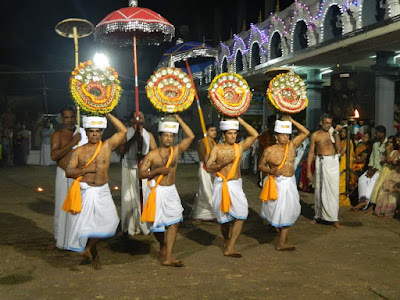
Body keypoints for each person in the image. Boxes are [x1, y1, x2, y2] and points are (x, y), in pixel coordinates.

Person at [65, 114, 127, 269]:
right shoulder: (78, 151)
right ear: (86, 133)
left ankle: (88, 249)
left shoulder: (106, 147)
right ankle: (93, 254)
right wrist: (85, 169)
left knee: (112, 222)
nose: (94, 134)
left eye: (97, 131)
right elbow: (69, 171)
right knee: (86, 226)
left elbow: (123, 131)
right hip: (86, 191)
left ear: (101, 133)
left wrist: (108, 113)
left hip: (103, 191)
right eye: (91, 131)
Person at [138, 115, 194, 267]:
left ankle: (168, 256)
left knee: (174, 222)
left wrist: (178, 118)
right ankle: (163, 246)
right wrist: (156, 172)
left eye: (171, 136)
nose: (169, 139)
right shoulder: (152, 155)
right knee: (156, 226)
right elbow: (141, 173)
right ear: (160, 136)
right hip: (156, 191)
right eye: (166, 135)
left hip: (171, 191)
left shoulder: (175, 152)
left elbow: (191, 136)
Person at [206, 117, 258, 258]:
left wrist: (240, 120)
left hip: (235, 184)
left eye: (235, 133)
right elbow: (208, 167)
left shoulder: (239, 147)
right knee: (224, 220)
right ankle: (226, 239)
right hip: (220, 185)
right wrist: (221, 165)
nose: (233, 136)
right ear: (223, 135)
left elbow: (254, 135)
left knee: (241, 213)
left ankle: (230, 246)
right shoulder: (217, 149)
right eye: (230, 133)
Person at [258, 117, 309, 251]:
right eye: (283, 135)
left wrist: (292, 120)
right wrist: (271, 170)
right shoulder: (269, 150)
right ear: (276, 136)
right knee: (277, 211)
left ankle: (281, 241)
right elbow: (261, 166)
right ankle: (281, 239)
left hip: (290, 182)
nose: (286, 138)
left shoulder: (292, 146)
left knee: (289, 210)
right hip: (276, 183)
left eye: (287, 135)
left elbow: (305, 133)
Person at [50, 107, 87, 250]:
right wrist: (72, 143)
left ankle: (78, 239)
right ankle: (59, 238)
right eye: (66, 117)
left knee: (79, 208)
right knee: (61, 206)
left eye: (72, 117)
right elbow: (54, 156)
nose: (70, 120)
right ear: (61, 119)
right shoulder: (57, 135)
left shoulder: (82, 133)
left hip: (79, 176)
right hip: (63, 175)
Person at [118, 111, 157, 236]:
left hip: (143, 167)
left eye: (142, 116)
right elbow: (120, 151)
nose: (139, 118)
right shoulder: (125, 133)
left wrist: (146, 157)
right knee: (129, 196)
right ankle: (130, 224)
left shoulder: (148, 135)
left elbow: (155, 152)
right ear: (131, 120)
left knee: (145, 194)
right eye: (137, 116)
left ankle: (145, 223)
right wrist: (134, 138)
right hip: (129, 167)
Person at [307, 113, 343, 229]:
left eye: (330, 123)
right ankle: (318, 216)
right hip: (321, 161)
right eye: (326, 123)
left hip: (332, 162)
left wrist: (336, 133)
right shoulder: (315, 135)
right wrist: (308, 170)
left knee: (333, 190)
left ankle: (333, 218)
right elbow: (311, 152)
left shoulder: (333, 133)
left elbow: (338, 148)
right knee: (319, 190)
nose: (328, 125)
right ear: (321, 123)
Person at [190, 124, 217, 221]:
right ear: (206, 132)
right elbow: (205, 157)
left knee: (212, 190)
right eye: (211, 130)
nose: (214, 132)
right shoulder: (202, 142)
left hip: (212, 168)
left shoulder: (213, 143)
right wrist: (210, 169)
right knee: (205, 190)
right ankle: (201, 214)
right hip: (205, 168)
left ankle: (210, 214)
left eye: (214, 130)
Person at [360, 126, 388, 213]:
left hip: (381, 170)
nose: (375, 135)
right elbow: (372, 157)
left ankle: (365, 204)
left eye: (376, 133)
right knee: (362, 179)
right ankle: (361, 200)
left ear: (382, 134)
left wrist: (375, 170)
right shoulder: (375, 144)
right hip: (373, 168)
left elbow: (385, 161)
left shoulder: (388, 144)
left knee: (372, 182)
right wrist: (370, 168)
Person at [338, 127, 354, 207]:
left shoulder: (348, 141)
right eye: (341, 132)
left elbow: (342, 152)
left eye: (344, 132)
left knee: (342, 181)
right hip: (342, 162)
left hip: (345, 163)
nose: (342, 133)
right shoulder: (343, 141)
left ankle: (343, 199)